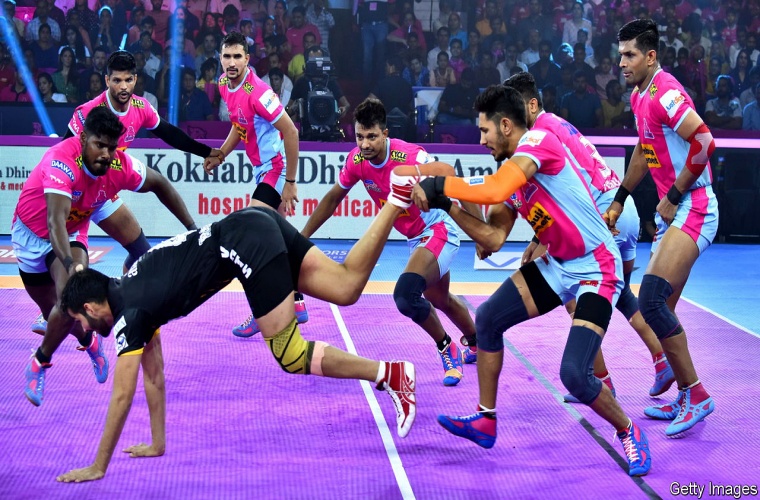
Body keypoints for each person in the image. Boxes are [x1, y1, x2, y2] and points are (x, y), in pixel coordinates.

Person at [55, 200, 422, 483]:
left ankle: (387, 374)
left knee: (290, 353)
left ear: (89, 307)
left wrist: (98, 466)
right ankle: (395, 200)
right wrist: (157, 443)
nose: (85, 329)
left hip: (245, 244)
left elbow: (122, 395)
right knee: (345, 288)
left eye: (79, 321)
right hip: (254, 221)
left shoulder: (130, 317)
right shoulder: (132, 283)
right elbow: (154, 375)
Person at [406, 84, 651, 477]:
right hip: (557, 265)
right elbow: (491, 239)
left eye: (484, 130)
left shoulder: (539, 141)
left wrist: (440, 185)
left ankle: (628, 429)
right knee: (488, 318)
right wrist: (447, 205)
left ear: (506, 125)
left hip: (596, 268)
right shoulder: (511, 171)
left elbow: (494, 189)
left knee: (574, 375)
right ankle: (486, 420)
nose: (481, 140)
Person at [27, 50, 222, 338]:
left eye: (128, 80)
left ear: (135, 80)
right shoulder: (87, 112)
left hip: (103, 192)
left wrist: (205, 151)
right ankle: (52, 311)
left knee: (142, 253)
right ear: (107, 80)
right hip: (77, 193)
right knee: (62, 259)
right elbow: (63, 152)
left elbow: (169, 133)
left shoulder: (141, 108)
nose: (123, 87)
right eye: (116, 80)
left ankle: (124, 293)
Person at [506, 71, 675, 401]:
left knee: (572, 292)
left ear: (531, 104)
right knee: (622, 295)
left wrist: (541, 240)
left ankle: (600, 380)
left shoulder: (537, 136)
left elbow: (564, 197)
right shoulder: (557, 123)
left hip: (601, 216)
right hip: (621, 208)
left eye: (512, 110)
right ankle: (662, 360)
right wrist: (537, 239)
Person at [17, 107, 197, 407]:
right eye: (99, 145)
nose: (106, 154)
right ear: (83, 139)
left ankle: (38, 362)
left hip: (73, 230)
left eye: (111, 148)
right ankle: (90, 343)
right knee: (56, 315)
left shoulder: (119, 165)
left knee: (69, 299)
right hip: (32, 235)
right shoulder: (61, 161)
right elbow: (54, 222)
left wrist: (193, 230)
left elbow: (160, 183)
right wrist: (70, 264)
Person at [301, 98, 479, 386]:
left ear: (385, 134)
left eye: (372, 137)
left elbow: (455, 182)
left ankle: (447, 347)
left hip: (438, 229)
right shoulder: (357, 161)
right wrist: (302, 238)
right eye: (360, 136)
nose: (365, 144)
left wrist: (479, 233)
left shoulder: (410, 157)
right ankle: (478, 342)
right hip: (415, 237)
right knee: (439, 299)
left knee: (406, 295)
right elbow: (333, 199)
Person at [608, 19, 716, 436]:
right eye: (620, 55)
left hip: (695, 204)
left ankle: (697, 393)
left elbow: (704, 142)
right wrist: (621, 197)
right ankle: (686, 394)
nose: (622, 62)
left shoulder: (666, 91)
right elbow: (643, 150)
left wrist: (672, 195)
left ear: (651, 56)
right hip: (677, 209)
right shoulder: (640, 95)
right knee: (660, 309)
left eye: (630, 55)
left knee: (651, 299)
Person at [203, 31, 307, 338]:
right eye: (227, 56)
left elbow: (291, 132)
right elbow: (240, 126)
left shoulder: (260, 92)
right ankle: (297, 301)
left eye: (238, 56)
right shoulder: (223, 85)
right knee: (281, 241)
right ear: (220, 59)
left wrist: (290, 183)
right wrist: (221, 154)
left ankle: (262, 312)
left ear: (247, 59)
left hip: (276, 168)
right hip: (261, 169)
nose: (232, 62)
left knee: (253, 236)